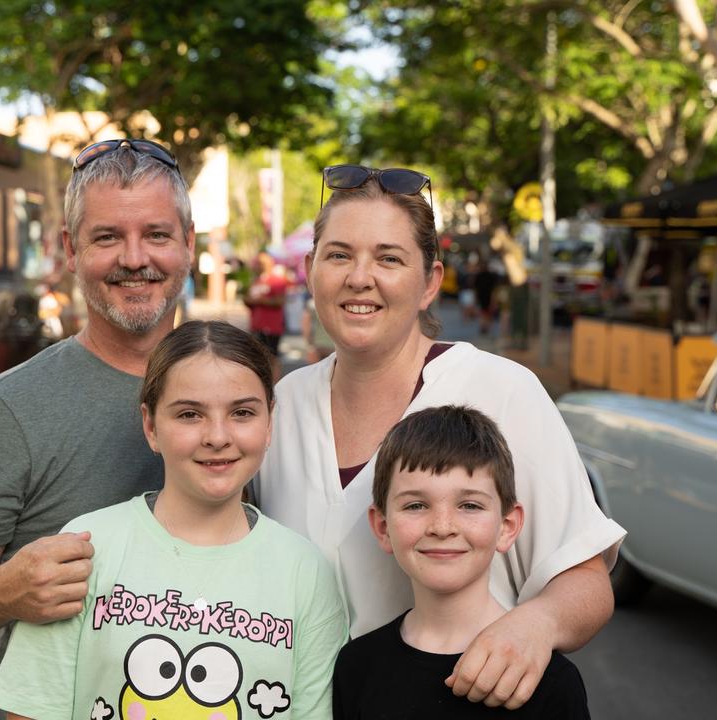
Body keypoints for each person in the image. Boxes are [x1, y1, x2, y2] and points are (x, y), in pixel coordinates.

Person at [257, 164, 625, 710]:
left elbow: (587, 577)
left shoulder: (501, 391)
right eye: (339, 255)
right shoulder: (279, 407)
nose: (360, 277)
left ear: (430, 282)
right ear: (310, 270)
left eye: (388, 258)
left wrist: (538, 623)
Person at [0, 138, 195, 720]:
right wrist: (3, 589)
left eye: (157, 235)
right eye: (108, 237)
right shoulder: (6, 406)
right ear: (70, 249)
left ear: (189, 244)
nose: (134, 258)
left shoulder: (242, 391)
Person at [0, 321, 347, 720]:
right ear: (151, 426)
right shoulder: (86, 549)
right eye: (190, 414)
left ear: (269, 424)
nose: (217, 436)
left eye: (242, 412)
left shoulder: (305, 573)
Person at [333, 405, 590, 719]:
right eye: (415, 505)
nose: (442, 527)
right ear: (383, 527)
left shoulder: (549, 682)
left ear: (507, 526)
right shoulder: (357, 667)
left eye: (469, 505)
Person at [245, 250, 288, 356]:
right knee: (257, 358)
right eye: (257, 263)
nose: (258, 266)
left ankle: (275, 374)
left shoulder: (277, 280)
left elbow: (280, 301)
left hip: (271, 327)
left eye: (261, 263)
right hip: (256, 325)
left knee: (271, 357)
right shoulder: (256, 281)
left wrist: (261, 300)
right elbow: (248, 299)